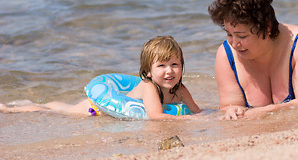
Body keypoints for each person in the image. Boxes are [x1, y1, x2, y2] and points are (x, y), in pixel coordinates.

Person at [0, 36, 201, 119]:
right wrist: (190, 123)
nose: (169, 71)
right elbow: (156, 117)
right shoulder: (149, 87)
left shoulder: (181, 90)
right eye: (162, 66)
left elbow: (197, 112)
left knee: (59, 107)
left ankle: (28, 104)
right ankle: (11, 108)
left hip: (111, 111)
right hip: (96, 109)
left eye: (175, 65)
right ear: (148, 71)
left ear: (182, 67)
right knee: (61, 110)